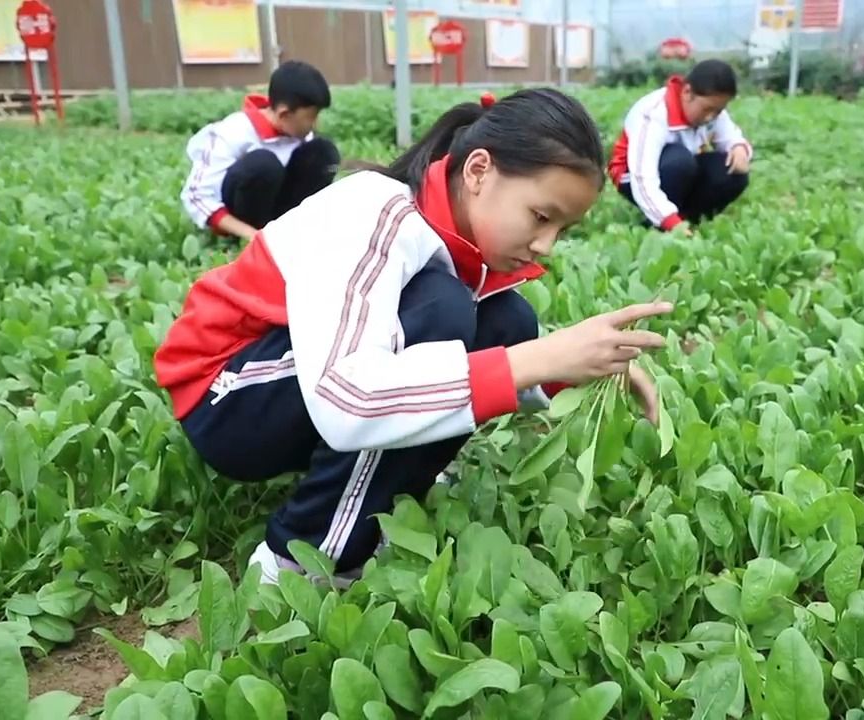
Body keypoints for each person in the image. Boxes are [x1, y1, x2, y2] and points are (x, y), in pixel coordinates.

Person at [154, 88, 673, 586]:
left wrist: (569, 367)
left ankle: (383, 497)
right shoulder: (377, 211)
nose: (547, 246)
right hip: (223, 395)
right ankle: (301, 562)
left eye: (562, 230)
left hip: (289, 382)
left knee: (506, 321)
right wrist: (531, 361)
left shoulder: (456, 235)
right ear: (478, 171)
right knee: (444, 314)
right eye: (541, 217)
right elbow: (346, 395)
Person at [180, 60, 341, 243]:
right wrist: (252, 236)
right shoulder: (234, 132)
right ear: (284, 114)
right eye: (311, 117)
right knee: (264, 165)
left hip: (278, 215)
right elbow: (197, 196)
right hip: (242, 219)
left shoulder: (300, 135)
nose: (315, 124)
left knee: (323, 152)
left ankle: (295, 232)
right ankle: (251, 238)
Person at [608, 59, 753, 233]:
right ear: (687, 92)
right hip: (632, 176)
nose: (710, 117)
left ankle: (686, 221)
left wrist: (739, 149)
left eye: (718, 111)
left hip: (682, 168)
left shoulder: (712, 112)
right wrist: (670, 222)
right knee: (680, 162)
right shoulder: (653, 114)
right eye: (707, 109)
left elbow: (731, 138)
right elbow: (642, 178)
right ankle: (661, 224)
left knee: (731, 171)